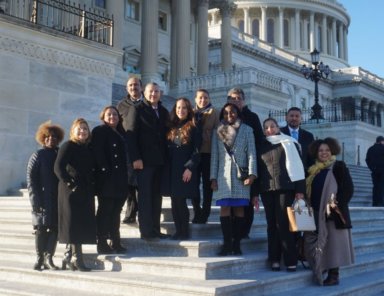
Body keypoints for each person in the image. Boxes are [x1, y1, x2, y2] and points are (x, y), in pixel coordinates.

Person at [305, 137, 354, 286]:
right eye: (321, 150)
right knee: (320, 243)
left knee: (334, 244)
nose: (324, 153)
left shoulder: (339, 166)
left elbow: (348, 189)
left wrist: (335, 205)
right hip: (315, 212)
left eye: (327, 150)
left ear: (332, 151)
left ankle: (334, 275)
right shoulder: (313, 170)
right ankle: (322, 267)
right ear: (316, 153)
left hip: (332, 213)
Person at [258, 118, 305, 272]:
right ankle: (275, 259)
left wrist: (300, 190)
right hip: (267, 189)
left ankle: (291, 260)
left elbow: (299, 166)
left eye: (272, 126)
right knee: (271, 225)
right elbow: (257, 170)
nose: (269, 129)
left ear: (278, 127)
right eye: (266, 127)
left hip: (286, 188)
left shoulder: (288, 142)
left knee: (283, 224)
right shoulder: (262, 145)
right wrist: (254, 194)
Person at [210, 103, 257, 256]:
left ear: (238, 113)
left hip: (240, 176)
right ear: (222, 115)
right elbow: (215, 156)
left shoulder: (247, 130)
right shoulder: (218, 132)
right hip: (223, 176)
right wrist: (213, 177)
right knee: (224, 208)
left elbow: (252, 154)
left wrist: (252, 174)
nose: (229, 115)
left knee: (239, 209)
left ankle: (236, 244)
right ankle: (227, 243)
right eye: (226, 113)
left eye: (232, 112)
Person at [127, 82, 170, 240]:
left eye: (156, 91)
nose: (153, 94)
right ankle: (146, 231)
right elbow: (130, 135)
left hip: (159, 161)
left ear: (160, 94)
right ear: (144, 93)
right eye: (151, 91)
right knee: (145, 197)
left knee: (156, 197)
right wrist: (135, 158)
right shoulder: (137, 109)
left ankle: (156, 229)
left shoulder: (164, 112)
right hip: (143, 161)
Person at [54, 118, 97, 271]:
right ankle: (78, 259)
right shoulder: (68, 146)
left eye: (85, 128)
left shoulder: (88, 148)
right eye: (79, 128)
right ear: (73, 131)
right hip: (70, 192)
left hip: (85, 191)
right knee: (73, 225)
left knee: (80, 224)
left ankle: (67, 257)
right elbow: (58, 168)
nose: (83, 131)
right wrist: (70, 184)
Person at [27, 121, 65, 271]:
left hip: (57, 198)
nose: (51, 139)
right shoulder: (38, 155)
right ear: (43, 138)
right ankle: (39, 258)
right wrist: (34, 200)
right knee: (41, 229)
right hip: (42, 198)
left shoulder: (60, 154)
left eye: (55, 137)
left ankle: (49, 257)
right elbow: (31, 179)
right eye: (48, 137)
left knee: (54, 229)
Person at [227, 88, 264, 239]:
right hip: (230, 166)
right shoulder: (225, 117)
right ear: (228, 100)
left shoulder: (252, 117)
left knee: (247, 200)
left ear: (243, 100)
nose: (236, 101)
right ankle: (232, 230)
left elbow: (259, 141)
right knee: (231, 200)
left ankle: (244, 232)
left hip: (248, 164)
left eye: (238, 98)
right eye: (233, 98)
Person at [91, 106, 128, 254]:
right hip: (107, 179)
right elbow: (97, 153)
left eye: (115, 114)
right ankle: (101, 242)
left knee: (116, 211)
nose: (112, 116)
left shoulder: (120, 133)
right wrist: (105, 170)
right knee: (105, 211)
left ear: (119, 117)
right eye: (109, 114)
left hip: (120, 179)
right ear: (103, 117)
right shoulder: (99, 131)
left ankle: (116, 241)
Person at [167, 98, 201, 239]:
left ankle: (184, 231)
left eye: (184, 108)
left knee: (181, 201)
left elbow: (197, 151)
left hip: (185, 170)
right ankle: (178, 231)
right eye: (178, 108)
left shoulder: (193, 127)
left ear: (189, 110)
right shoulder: (172, 127)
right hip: (172, 170)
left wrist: (190, 168)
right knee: (175, 201)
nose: (181, 110)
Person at [116, 77, 143, 224]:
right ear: (127, 88)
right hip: (126, 148)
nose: (134, 87)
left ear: (141, 87)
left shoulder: (147, 104)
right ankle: (131, 212)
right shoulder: (121, 105)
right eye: (131, 85)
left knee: (141, 183)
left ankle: (141, 212)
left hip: (143, 148)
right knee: (129, 183)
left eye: (136, 85)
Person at [191, 89, 219, 224]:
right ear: (195, 99)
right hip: (194, 153)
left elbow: (219, 132)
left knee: (207, 186)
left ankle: (205, 212)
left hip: (208, 152)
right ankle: (196, 211)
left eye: (206, 98)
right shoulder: (191, 113)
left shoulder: (214, 112)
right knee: (194, 184)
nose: (203, 100)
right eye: (200, 98)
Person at [280, 107, 315, 171]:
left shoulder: (309, 136)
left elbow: (312, 156)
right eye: (291, 116)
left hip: (303, 173)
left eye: (297, 116)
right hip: (284, 173)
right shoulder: (280, 134)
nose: (294, 118)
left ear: (301, 119)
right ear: (286, 118)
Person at [365, 136, 384, 206]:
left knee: (375, 186)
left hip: (374, 170)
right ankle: (381, 202)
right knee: (381, 186)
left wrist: (371, 168)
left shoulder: (370, 149)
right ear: (382, 141)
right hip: (382, 171)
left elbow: (367, 160)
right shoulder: (383, 148)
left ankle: (375, 203)